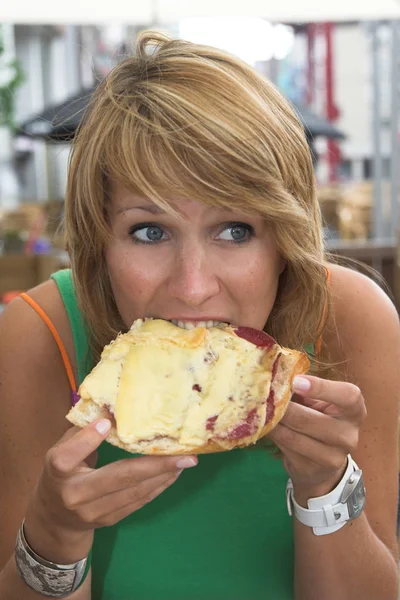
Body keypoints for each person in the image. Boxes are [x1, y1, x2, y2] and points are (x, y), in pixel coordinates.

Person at [0, 31, 399, 600]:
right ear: (99, 244)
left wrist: (326, 487)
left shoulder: (353, 322)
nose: (192, 287)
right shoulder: (40, 336)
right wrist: (54, 539)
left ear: (284, 242)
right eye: (149, 231)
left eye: (236, 231)